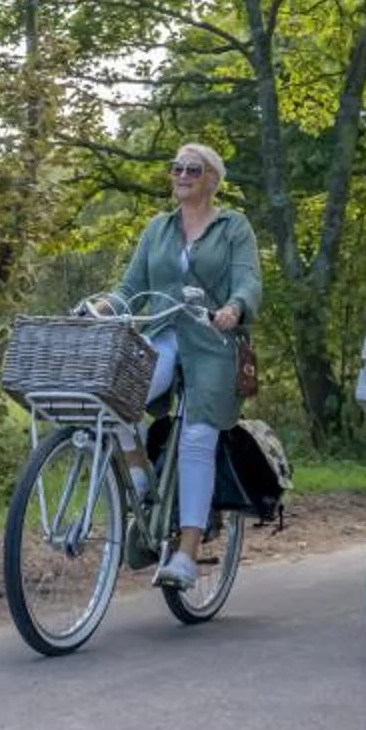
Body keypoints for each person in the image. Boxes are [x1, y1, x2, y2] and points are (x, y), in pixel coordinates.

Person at [115, 142, 263, 590]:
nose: (181, 175)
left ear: (212, 180)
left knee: (198, 438)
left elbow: (249, 278)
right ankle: (141, 473)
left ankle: (186, 552)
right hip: (161, 336)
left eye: (192, 169)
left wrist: (235, 308)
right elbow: (130, 288)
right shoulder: (157, 229)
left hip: (213, 343)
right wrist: (106, 306)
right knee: (114, 396)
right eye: (176, 168)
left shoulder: (232, 226)